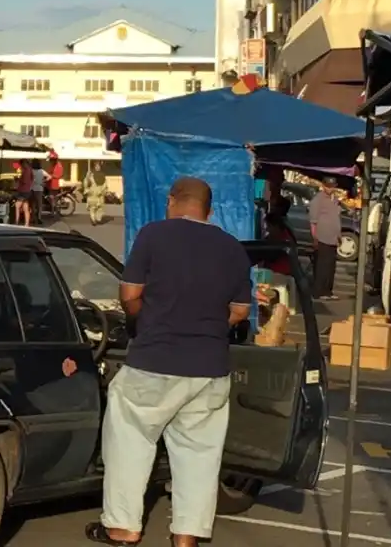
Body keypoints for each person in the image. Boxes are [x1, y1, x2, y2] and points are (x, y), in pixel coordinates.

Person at [86, 176, 252, 547]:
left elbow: (130, 293)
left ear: (171, 201)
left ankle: (123, 527)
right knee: (199, 455)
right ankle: (186, 537)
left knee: (130, 440)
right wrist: (208, 327)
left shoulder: (153, 235)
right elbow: (240, 310)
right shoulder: (232, 248)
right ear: (209, 211)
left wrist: (142, 319)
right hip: (210, 368)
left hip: (154, 359)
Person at [309, 177, 342, 300]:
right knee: (322, 266)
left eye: (332, 186)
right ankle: (318, 292)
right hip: (322, 237)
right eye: (328, 186)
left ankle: (328, 291)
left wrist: (339, 235)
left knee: (330, 266)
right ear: (323, 186)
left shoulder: (334, 200)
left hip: (332, 238)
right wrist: (315, 237)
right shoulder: (318, 200)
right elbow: (313, 221)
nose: (330, 188)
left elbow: (336, 218)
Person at [265, 194, 297, 276]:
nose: (267, 229)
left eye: (274, 206)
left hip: (279, 274)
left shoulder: (281, 240)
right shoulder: (286, 227)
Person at [13, 160, 34, 226]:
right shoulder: (30, 170)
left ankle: (16, 222)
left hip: (23, 191)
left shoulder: (26, 170)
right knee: (25, 207)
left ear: (25, 163)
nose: (21, 166)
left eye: (21, 164)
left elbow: (25, 181)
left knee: (17, 206)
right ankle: (26, 223)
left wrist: (18, 179)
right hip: (27, 191)